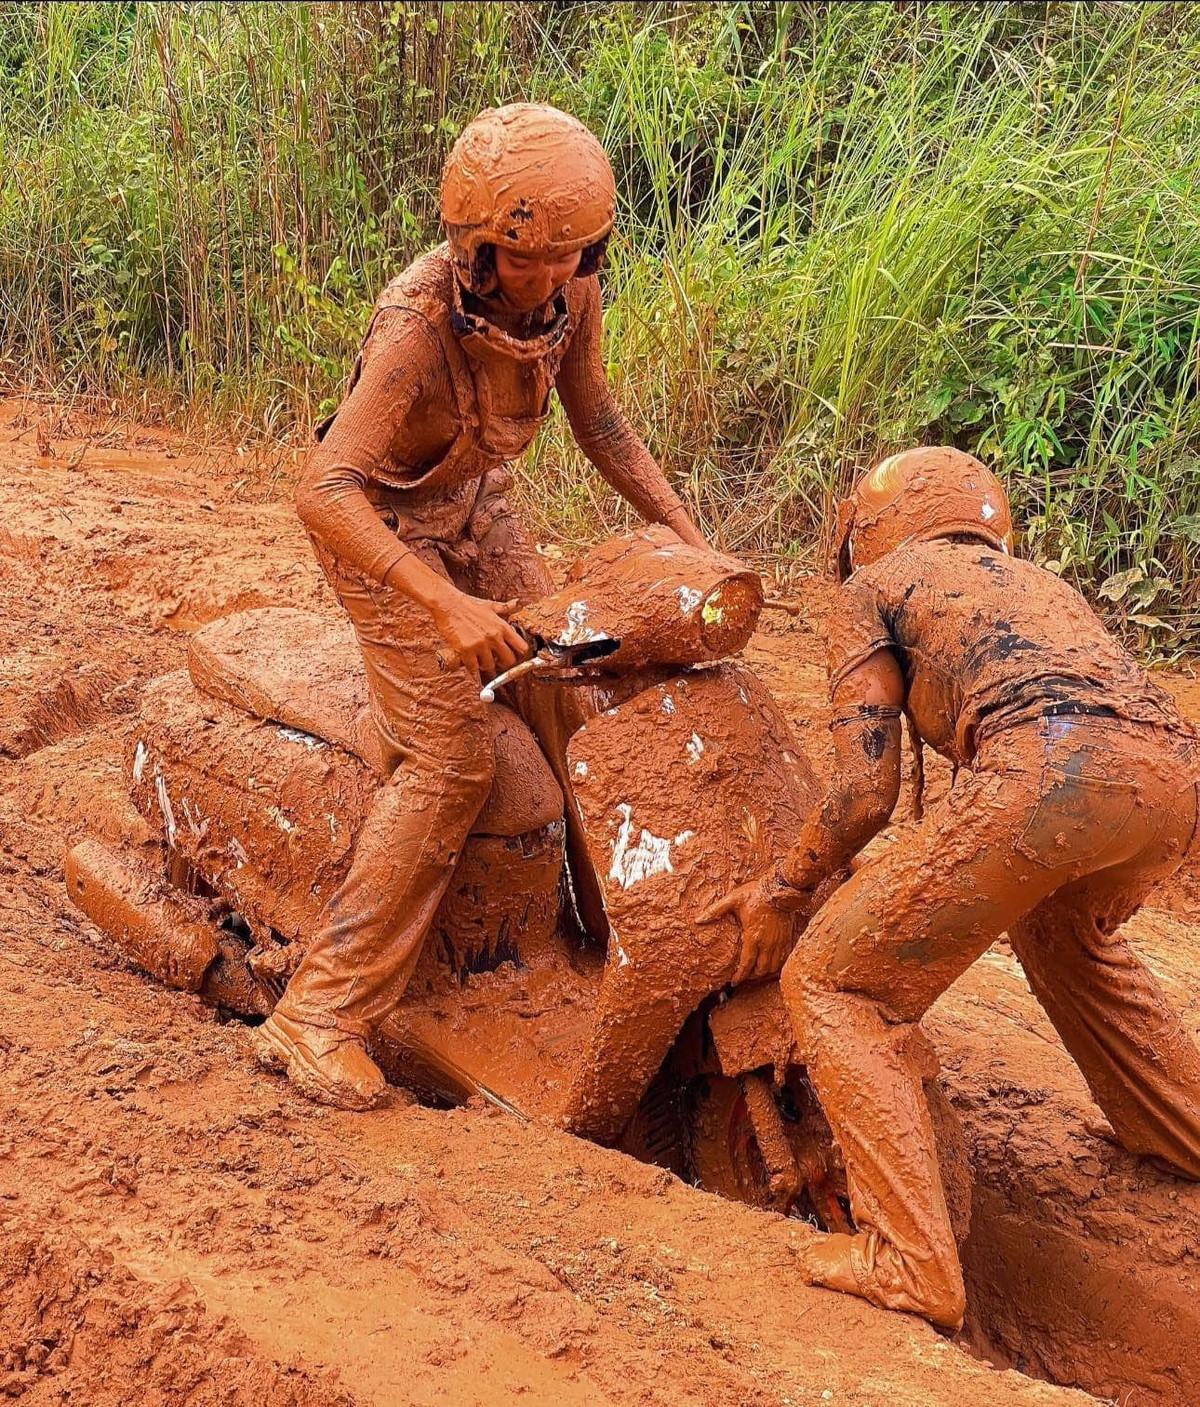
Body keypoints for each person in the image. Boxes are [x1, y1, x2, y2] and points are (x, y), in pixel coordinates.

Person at [257, 103, 705, 1111]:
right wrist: (442, 607)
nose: (557, 277)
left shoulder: (572, 289)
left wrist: (687, 532)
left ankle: (614, 932)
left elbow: (601, 421)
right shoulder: (416, 327)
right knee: (454, 760)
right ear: (475, 246)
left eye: (575, 255)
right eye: (531, 257)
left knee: (571, 677)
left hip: (477, 508)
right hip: (386, 535)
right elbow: (325, 492)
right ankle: (317, 1015)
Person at [700, 446, 1200, 1329]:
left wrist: (785, 887)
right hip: (1169, 786)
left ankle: (908, 1258)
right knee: (1063, 932)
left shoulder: (877, 585)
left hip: (1045, 772)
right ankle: (1180, 1127)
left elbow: (863, 791)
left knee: (835, 982)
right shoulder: (1041, 586)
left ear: (868, 527)